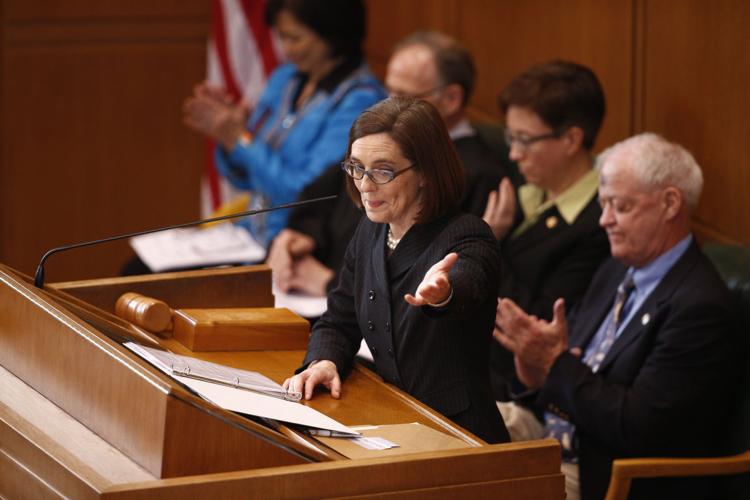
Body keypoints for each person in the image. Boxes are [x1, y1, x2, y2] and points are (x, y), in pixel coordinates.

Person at [494, 133, 742, 500]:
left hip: (605, 473)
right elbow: (572, 367)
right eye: (603, 205)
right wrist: (536, 373)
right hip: (553, 433)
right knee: (451, 427)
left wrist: (554, 364)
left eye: (620, 207)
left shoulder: (698, 308)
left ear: (670, 203)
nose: (604, 220)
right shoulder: (615, 269)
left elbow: (636, 427)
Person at [283, 97, 510, 444]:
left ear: (425, 173)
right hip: (394, 419)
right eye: (356, 167)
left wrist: (444, 292)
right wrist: (324, 361)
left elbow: (469, 281)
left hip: (458, 436)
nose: (365, 185)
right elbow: (339, 319)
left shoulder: (467, 233)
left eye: (383, 171)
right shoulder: (371, 230)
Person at [267, 30, 514, 296]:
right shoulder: (379, 139)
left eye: (404, 96)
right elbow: (323, 194)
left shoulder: (479, 175)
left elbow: (435, 271)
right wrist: (298, 237)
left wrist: (331, 283)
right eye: (388, 90)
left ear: (451, 99)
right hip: (309, 292)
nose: (388, 104)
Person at [183, 0, 385, 246]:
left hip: (295, 244)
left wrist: (239, 140)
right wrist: (229, 136)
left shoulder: (359, 100)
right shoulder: (285, 78)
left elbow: (305, 196)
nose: (286, 49)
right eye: (281, 36)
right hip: (249, 233)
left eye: (296, 38)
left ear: (333, 33)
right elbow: (243, 177)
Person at [483, 61, 611, 401]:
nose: (514, 153)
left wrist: (488, 244)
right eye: (510, 137)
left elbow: (533, 325)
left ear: (571, 139)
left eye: (525, 141)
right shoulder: (519, 189)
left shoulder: (599, 224)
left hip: (512, 388)